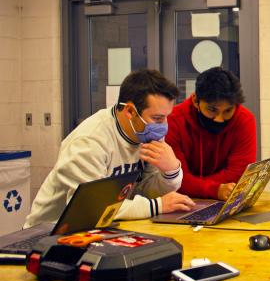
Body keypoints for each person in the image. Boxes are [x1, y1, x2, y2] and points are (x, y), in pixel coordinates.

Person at [26, 69, 196, 227]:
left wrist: (171, 171)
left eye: (166, 117)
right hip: (49, 233)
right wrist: (155, 206)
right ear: (130, 111)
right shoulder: (90, 141)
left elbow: (147, 190)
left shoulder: (146, 132)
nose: (163, 126)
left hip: (104, 226)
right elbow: (91, 207)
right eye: (158, 118)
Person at [166, 67, 257, 200]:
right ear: (195, 101)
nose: (219, 119)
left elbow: (239, 174)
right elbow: (176, 180)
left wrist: (194, 185)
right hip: (180, 201)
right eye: (212, 110)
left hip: (225, 198)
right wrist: (214, 189)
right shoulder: (172, 121)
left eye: (228, 111)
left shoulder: (244, 120)